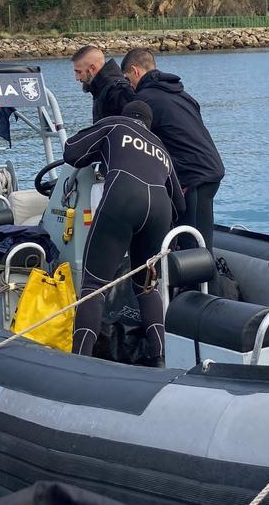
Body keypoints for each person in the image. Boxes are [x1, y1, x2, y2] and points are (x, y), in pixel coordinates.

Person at [62, 101, 185, 366]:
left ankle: (78, 363)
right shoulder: (161, 147)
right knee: (146, 288)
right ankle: (160, 359)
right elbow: (179, 203)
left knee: (94, 287)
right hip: (159, 209)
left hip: (123, 196)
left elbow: (71, 151)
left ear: (127, 115)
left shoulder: (116, 124)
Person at [121, 48, 225, 250]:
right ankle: (197, 277)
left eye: (128, 79)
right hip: (210, 169)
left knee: (192, 243)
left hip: (192, 176)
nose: (129, 86)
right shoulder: (181, 94)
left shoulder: (145, 100)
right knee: (201, 238)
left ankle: (197, 281)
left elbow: (137, 142)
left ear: (135, 71)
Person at [72, 45, 135, 122]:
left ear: (92, 68)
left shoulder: (118, 91)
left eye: (79, 72)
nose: (77, 78)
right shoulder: (101, 89)